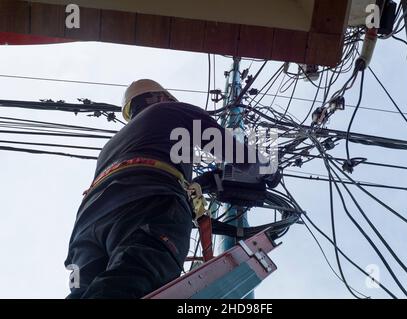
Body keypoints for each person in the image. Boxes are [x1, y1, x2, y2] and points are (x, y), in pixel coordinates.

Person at [65, 79, 264, 299]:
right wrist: (266, 169)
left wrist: (207, 182)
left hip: (86, 225)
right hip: (147, 202)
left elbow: (138, 168)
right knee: (135, 278)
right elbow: (231, 150)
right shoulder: (170, 111)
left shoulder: (112, 146)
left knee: (81, 291)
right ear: (160, 97)